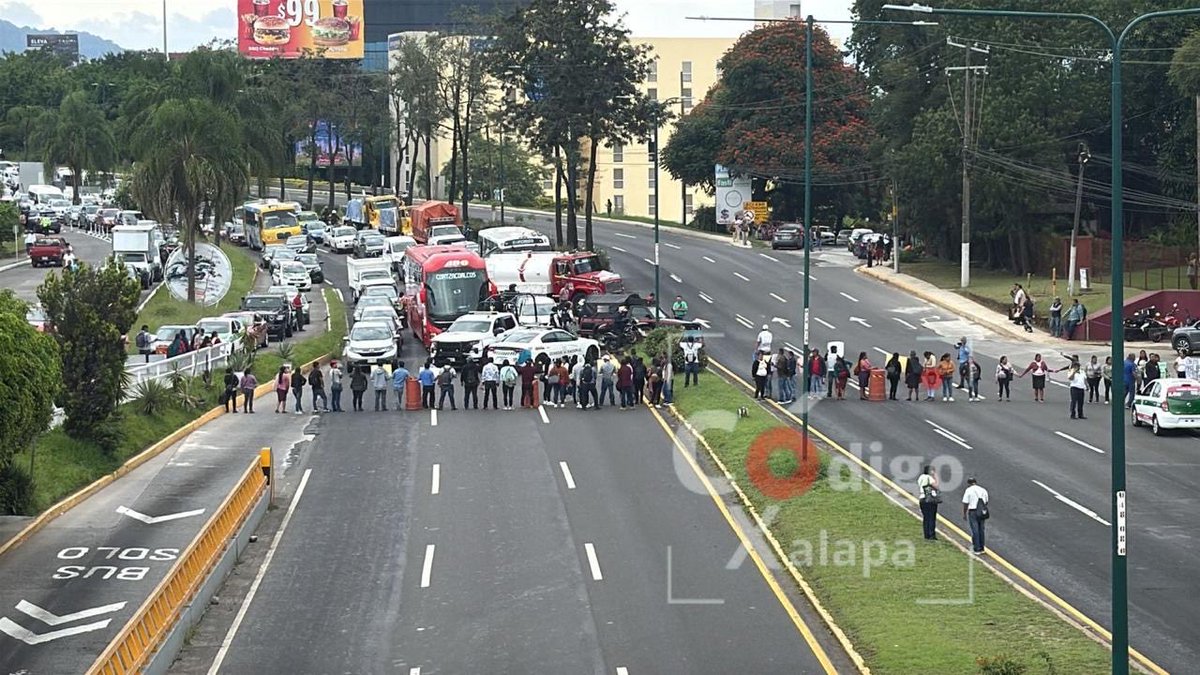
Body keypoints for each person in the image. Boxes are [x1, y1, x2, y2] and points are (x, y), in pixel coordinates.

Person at [962, 477, 990, 554]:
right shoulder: (983, 490)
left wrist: (964, 513)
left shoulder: (968, 490)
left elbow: (965, 503)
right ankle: (982, 547)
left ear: (969, 483)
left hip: (973, 511)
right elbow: (986, 501)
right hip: (981, 512)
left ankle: (976, 548)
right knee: (981, 529)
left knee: (975, 530)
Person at [916, 466, 940, 540]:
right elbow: (936, 486)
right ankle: (931, 535)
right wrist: (936, 476)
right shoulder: (929, 478)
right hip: (930, 499)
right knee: (932, 517)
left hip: (922, 499)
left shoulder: (921, 477)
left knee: (926, 518)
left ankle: (926, 534)